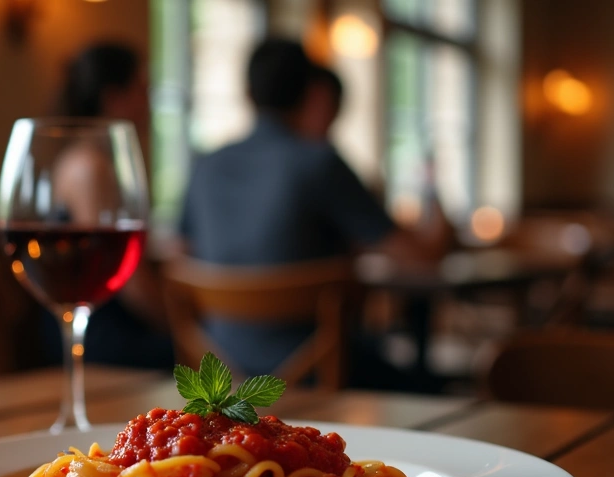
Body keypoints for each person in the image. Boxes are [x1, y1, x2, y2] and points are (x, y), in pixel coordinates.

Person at [180, 38, 448, 377]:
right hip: (315, 371)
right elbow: (422, 258)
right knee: (425, 381)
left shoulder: (205, 166)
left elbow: (180, 253)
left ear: (247, 94)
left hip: (218, 371)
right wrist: (434, 191)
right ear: (311, 93)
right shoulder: (321, 163)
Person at [36, 42, 173, 370]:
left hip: (97, 321)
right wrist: (179, 326)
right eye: (142, 90)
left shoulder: (90, 159)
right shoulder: (89, 167)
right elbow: (129, 282)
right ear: (113, 98)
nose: (149, 103)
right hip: (95, 331)